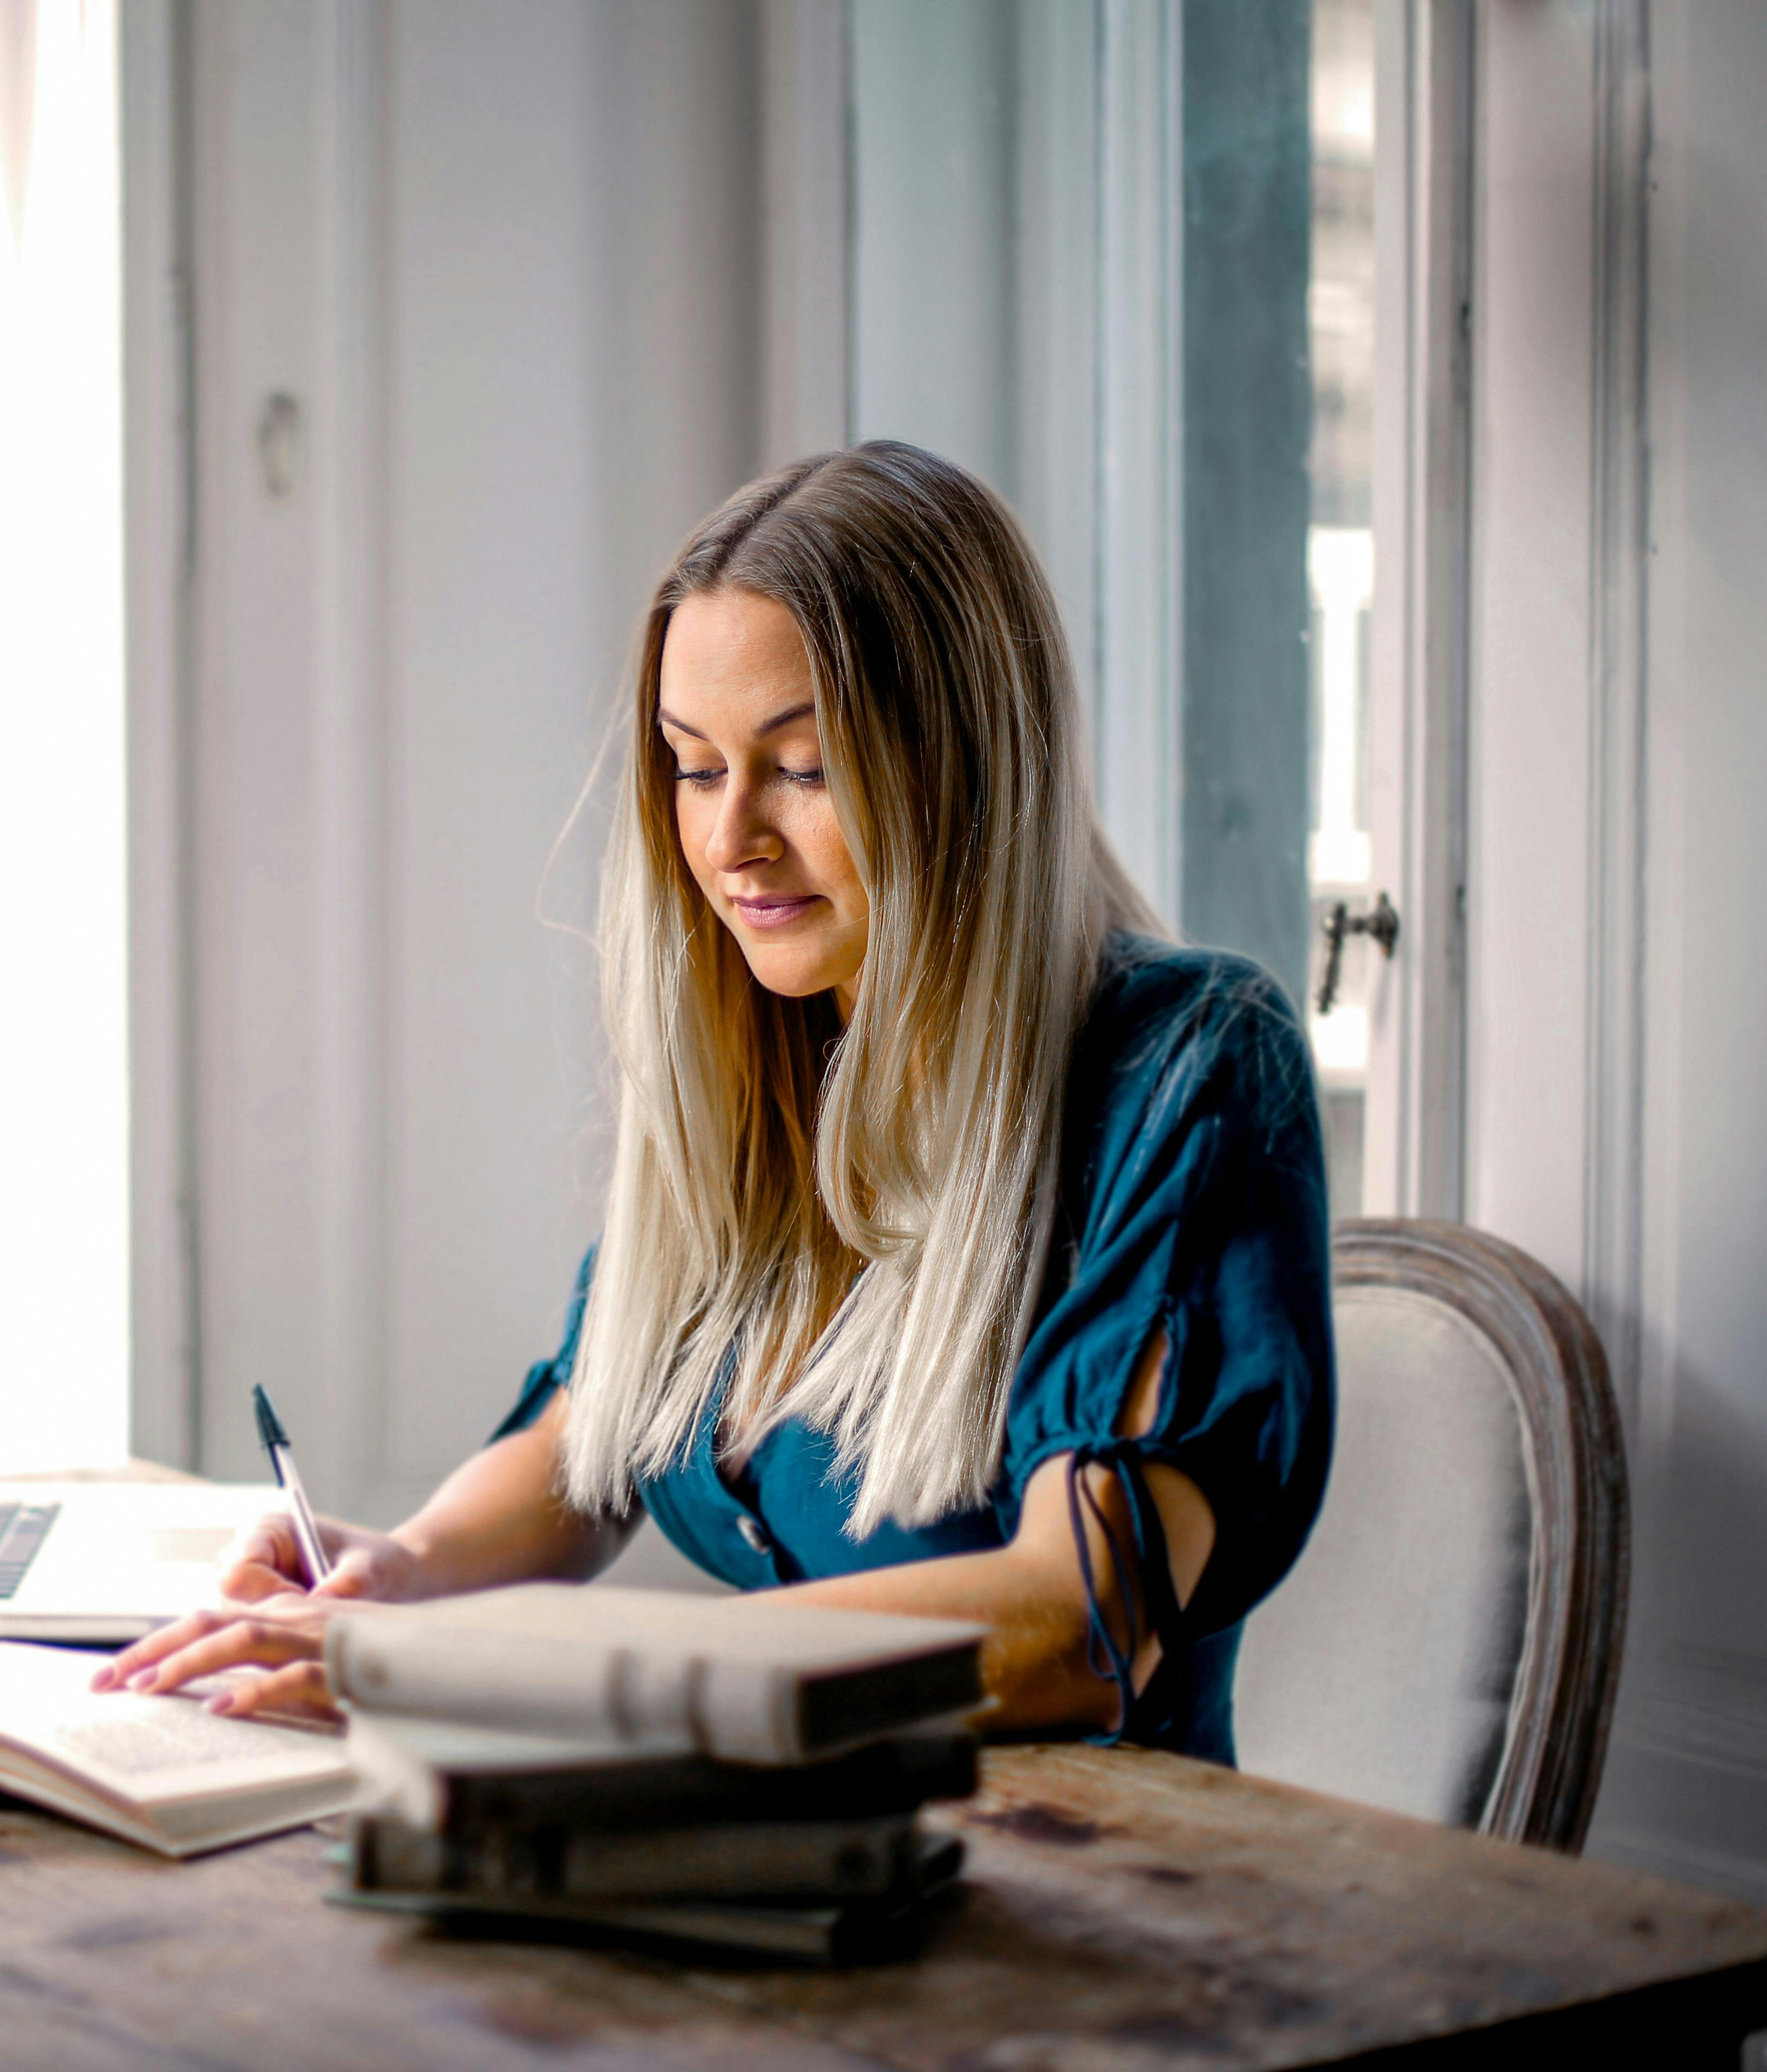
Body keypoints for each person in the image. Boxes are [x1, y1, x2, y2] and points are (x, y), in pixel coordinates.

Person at [97, 441, 1334, 1763]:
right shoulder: (769, 1052)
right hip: (767, 1858)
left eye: (802, 768)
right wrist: (403, 1571)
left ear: (971, 773)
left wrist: (507, 1665)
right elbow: (598, 1434)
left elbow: (1074, 1624)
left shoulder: (1187, 1071)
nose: (731, 840)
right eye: (694, 767)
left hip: (1079, 1896)